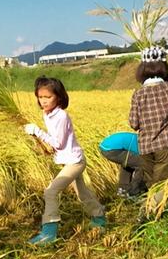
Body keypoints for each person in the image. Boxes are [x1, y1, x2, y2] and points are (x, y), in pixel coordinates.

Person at [24, 76, 105, 246]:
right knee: (82, 192)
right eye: (40, 97)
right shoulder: (47, 114)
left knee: (51, 192)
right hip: (68, 160)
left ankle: (49, 232)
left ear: (58, 97)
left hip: (74, 161)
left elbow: (58, 143)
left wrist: (37, 131)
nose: (44, 101)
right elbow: (54, 143)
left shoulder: (61, 116)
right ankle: (99, 218)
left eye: (48, 97)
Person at [129, 46, 168, 203]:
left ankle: (151, 210)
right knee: (163, 183)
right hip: (164, 145)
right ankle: (151, 214)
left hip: (145, 147)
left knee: (151, 184)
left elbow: (133, 123)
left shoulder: (138, 94)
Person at [98, 132, 146, 197]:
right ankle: (134, 192)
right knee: (142, 164)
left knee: (128, 163)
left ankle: (122, 191)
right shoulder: (143, 145)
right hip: (112, 149)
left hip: (105, 147)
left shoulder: (139, 139)